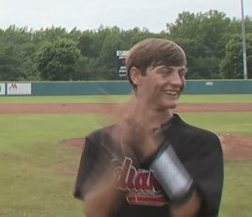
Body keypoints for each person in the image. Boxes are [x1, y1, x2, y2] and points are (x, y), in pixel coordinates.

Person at [73, 38, 224, 216]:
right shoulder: (100, 140)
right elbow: (94, 213)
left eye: (181, 73)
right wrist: (121, 153)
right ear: (136, 76)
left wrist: (151, 148)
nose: (178, 82)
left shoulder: (201, 143)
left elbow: (190, 211)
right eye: (165, 72)